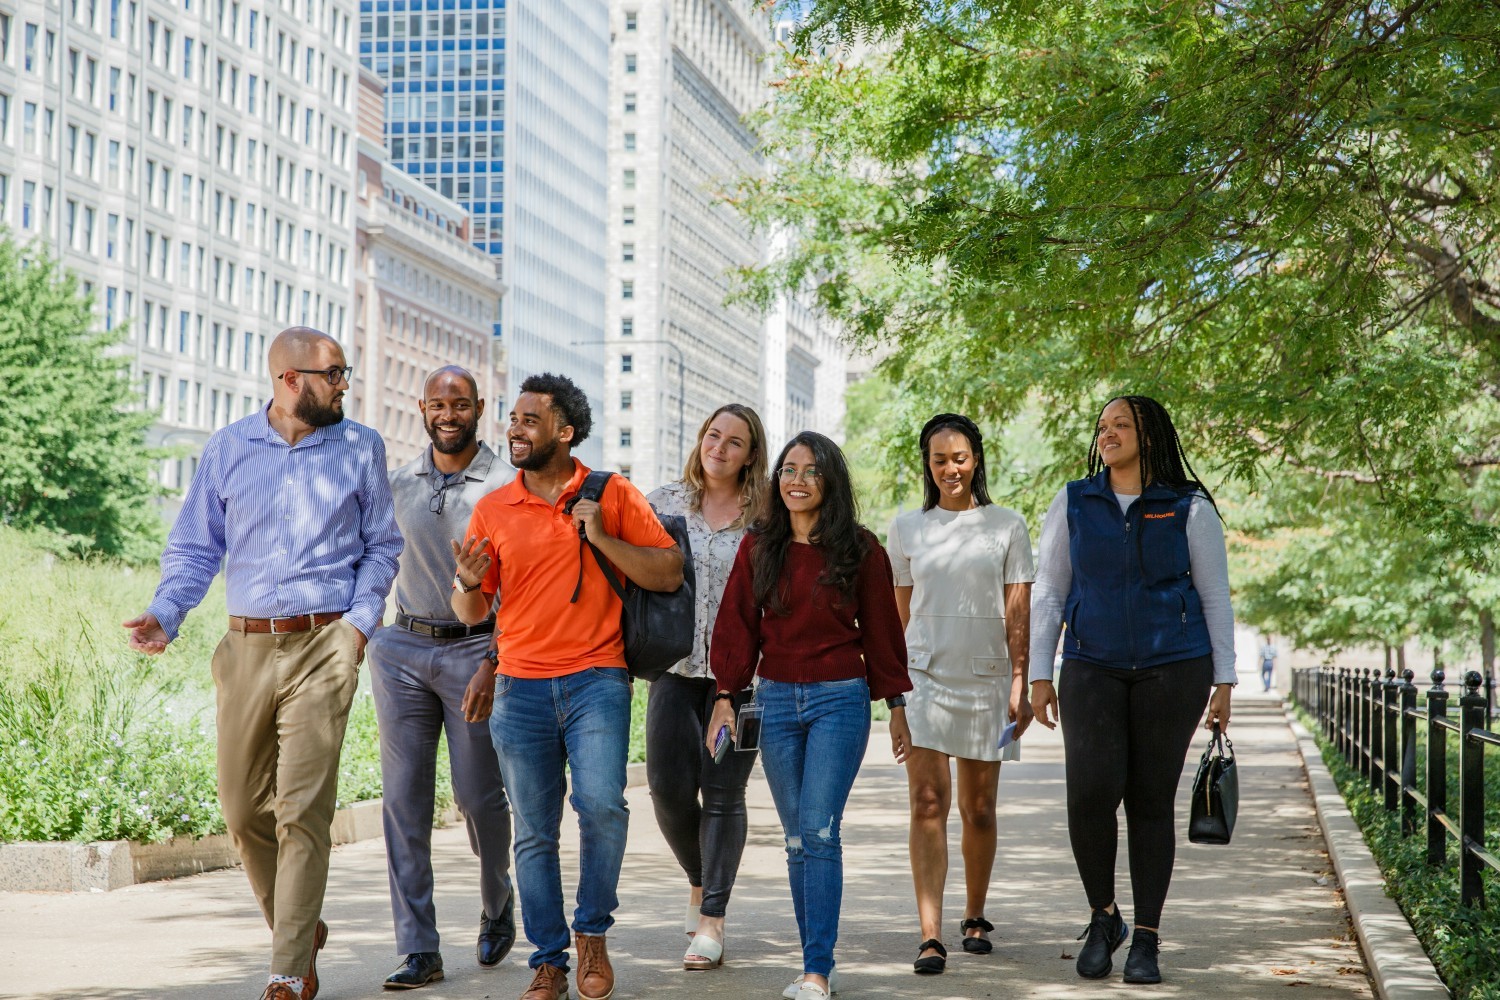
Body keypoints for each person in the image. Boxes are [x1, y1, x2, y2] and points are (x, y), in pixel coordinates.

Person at [123, 327, 403, 1000]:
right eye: (332, 373)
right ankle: (298, 928)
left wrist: (358, 630)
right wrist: (168, 612)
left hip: (325, 642)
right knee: (243, 810)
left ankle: (287, 970)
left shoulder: (361, 447)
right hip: (245, 646)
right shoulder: (229, 448)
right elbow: (196, 548)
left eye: (344, 372)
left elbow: (382, 545)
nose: (344, 384)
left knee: (302, 807)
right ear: (289, 380)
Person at [451, 373, 684, 1000]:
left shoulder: (612, 493)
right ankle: (548, 959)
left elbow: (668, 573)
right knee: (533, 829)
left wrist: (602, 536)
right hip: (520, 686)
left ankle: (592, 934)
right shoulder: (493, 508)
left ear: (565, 430)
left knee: (603, 806)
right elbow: (474, 614)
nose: (515, 428)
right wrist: (469, 583)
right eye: (513, 418)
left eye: (530, 419)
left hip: (597, 680)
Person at [1029, 395, 1236, 986]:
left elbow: (1215, 596)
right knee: (1090, 794)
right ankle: (1104, 916)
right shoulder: (1075, 501)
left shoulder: (1187, 506)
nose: (1108, 433)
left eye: (1122, 424)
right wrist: (1040, 673)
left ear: (1151, 434)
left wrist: (1225, 679)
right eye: (1103, 426)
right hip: (1091, 663)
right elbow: (1048, 592)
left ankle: (1146, 937)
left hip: (1176, 666)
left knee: (1149, 801)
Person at [708, 431, 913, 1000]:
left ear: (830, 482)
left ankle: (817, 971)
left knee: (820, 831)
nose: (797, 480)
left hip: (839, 700)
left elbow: (881, 632)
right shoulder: (758, 548)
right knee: (797, 838)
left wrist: (896, 707)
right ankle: (811, 963)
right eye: (788, 470)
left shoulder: (861, 550)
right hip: (774, 700)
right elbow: (737, 627)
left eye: (811, 471)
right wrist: (726, 696)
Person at [366, 367, 516, 990]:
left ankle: (497, 898)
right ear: (421, 408)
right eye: (437, 404)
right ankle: (419, 948)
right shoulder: (397, 481)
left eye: (460, 403)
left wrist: (494, 659)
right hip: (402, 647)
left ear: (480, 408)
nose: (448, 414)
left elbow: (525, 588)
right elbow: (370, 556)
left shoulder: (506, 485)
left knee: (479, 794)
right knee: (403, 801)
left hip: (476, 649)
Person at [886, 414, 1035, 974]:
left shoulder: (1007, 525)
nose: (950, 468)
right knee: (927, 804)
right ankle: (930, 934)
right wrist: (894, 696)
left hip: (987, 677)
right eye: (939, 459)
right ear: (927, 464)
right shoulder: (906, 528)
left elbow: (1018, 608)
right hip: (924, 677)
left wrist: (1021, 678)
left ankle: (975, 914)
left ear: (976, 460)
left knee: (978, 808)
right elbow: (898, 619)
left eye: (960, 457)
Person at [644, 403, 770, 972]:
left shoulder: (767, 516)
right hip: (674, 670)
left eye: (735, 441)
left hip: (741, 683)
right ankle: (700, 881)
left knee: (722, 793)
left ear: (751, 455)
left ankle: (712, 918)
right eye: (713, 436)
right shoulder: (664, 503)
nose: (719, 447)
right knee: (668, 791)